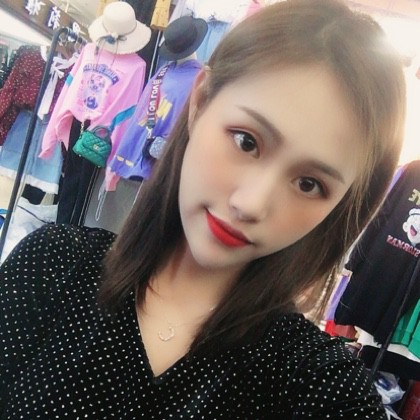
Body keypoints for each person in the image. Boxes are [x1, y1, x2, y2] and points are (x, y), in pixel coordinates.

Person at [0, 0, 406, 417]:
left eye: (309, 184)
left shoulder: (319, 385)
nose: (250, 204)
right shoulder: (52, 264)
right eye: (246, 141)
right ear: (200, 102)